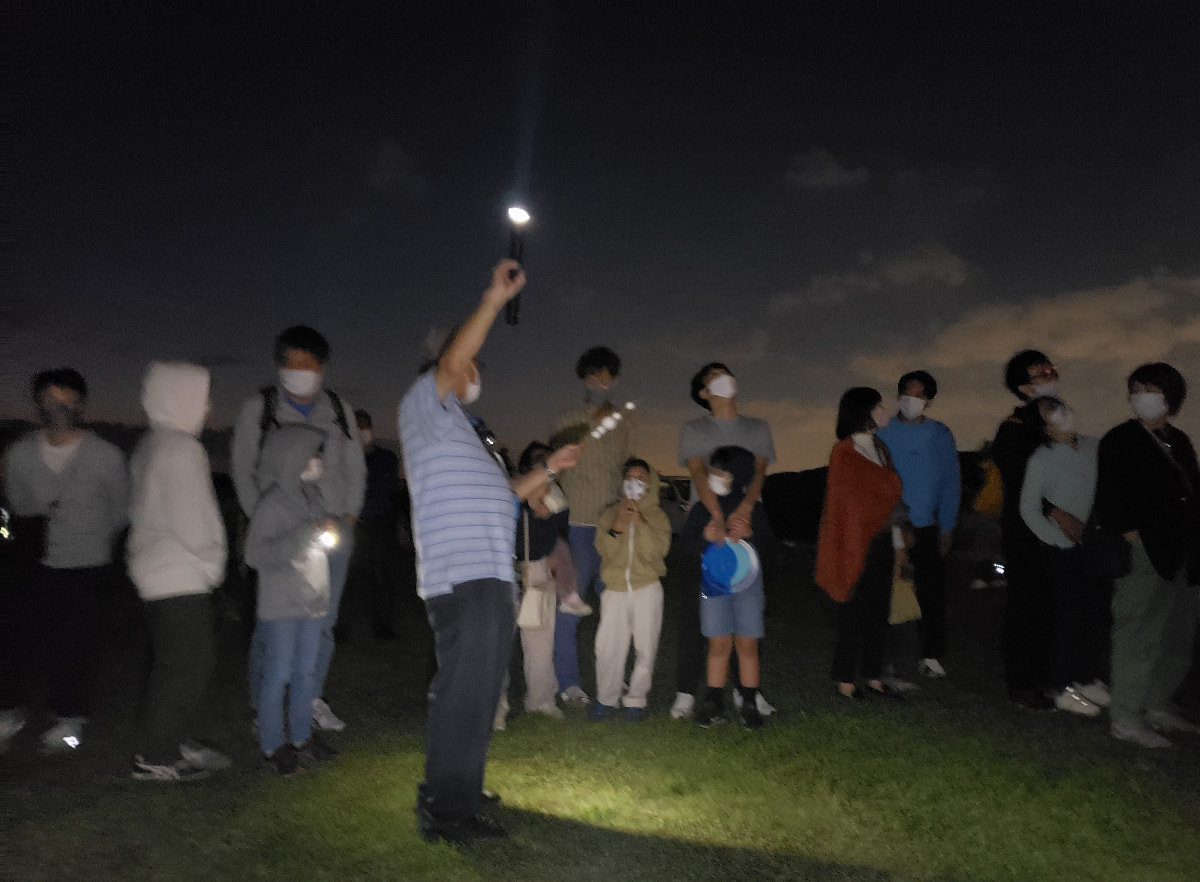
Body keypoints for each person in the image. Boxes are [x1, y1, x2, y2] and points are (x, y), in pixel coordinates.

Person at [400, 260, 580, 845]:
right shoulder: (424, 407)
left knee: (479, 692)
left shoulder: (465, 430)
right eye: (469, 363)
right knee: (463, 691)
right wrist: (493, 301)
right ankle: (446, 812)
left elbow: (506, 494)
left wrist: (548, 468)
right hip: (461, 575)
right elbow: (453, 361)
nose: (474, 373)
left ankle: (460, 787)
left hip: (489, 574)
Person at [231, 325, 366, 734]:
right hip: (282, 535)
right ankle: (263, 706)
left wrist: (349, 516)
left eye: (306, 364)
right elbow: (242, 468)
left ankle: (309, 701)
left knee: (322, 621)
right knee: (274, 623)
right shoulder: (262, 407)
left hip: (333, 531)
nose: (296, 371)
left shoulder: (338, 408)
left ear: (321, 368)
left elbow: (354, 467)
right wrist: (267, 521)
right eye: (289, 363)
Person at [0, 368, 128, 753]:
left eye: (67, 400)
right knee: (15, 641)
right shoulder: (19, 453)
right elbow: (14, 503)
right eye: (50, 401)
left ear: (81, 403)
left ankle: (70, 722)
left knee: (77, 646)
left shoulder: (106, 456)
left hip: (87, 565)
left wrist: (90, 537)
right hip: (30, 562)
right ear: (38, 403)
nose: (58, 408)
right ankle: (8, 712)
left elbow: (121, 510)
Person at [127, 363, 231, 781]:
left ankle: (175, 738)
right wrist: (213, 562)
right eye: (201, 396)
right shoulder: (181, 448)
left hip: (155, 571)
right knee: (187, 666)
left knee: (177, 664)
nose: (207, 407)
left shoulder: (151, 444)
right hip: (180, 573)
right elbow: (193, 521)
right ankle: (156, 757)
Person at [1095, 363, 1200, 747]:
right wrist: (1134, 538)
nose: (1141, 395)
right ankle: (1126, 717)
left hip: (1183, 554)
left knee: (1177, 634)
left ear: (1171, 397)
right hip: (1146, 553)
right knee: (1138, 632)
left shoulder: (1179, 441)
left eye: (1150, 388)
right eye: (1137, 388)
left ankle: (1158, 705)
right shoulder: (1122, 439)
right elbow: (1110, 498)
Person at [673, 363, 776, 720]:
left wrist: (745, 509)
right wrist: (716, 516)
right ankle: (688, 692)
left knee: (746, 623)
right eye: (712, 377)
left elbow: (760, 472)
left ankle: (747, 693)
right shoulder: (694, 429)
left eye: (725, 372)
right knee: (699, 620)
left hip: (745, 531)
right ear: (703, 393)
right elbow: (699, 474)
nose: (723, 378)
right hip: (709, 528)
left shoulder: (757, 428)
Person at [244, 424, 341, 775]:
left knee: (305, 673)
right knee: (278, 673)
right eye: (312, 454)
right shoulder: (272, 503)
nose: (317, 461)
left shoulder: (313, 498)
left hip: (312, 602)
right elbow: (255, 554)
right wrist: (305, 534)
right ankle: (273, 745)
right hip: (281, 606)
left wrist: (325, 532)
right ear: (292, 458)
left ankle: (301, 737)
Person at [816, 388, 910, 700]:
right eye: (879, 406)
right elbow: (847, 505)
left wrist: (898, 543)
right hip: (856, 542)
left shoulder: (881, 449)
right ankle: (845, 680)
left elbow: (892, 497)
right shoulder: (844, 452)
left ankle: (873, 676)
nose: (886, 411)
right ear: (865, 411)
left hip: (881, 541)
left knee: (879, 612)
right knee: (853, 612)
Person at [1018, 396, 1110, 717]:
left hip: (1092, 545)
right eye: (1050, 415)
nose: (1060, 417)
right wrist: (1057, 539)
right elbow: (1028, 508)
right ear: (1043, 426)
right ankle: (1060, 688)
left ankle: (1085, 678)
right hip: (1061, 551)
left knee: (1094, 615)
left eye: (1060, 409)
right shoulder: (1042, 458)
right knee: (1067, 618)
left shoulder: (1093, 447)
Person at [550, 346, 631, 705]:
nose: (600, 383)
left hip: (613, 528)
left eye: (606, 376)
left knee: (616, 609)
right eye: (593, 376)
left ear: (615, 379)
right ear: (583, 379)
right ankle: (568, 683)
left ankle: (615, 679)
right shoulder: (566, 420)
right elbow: (555, 470)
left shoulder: (624, 424)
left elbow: (627, 472)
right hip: (578, 524)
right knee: (569, 606)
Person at [876, 370, 960, 680]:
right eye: (908, 393)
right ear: (898, 395)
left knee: (931, 593)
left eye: (920, 394)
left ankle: (932, 655)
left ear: (930, 400)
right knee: (888, 591)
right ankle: (883, 657)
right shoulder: (883, 431)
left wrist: (948, 526)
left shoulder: (940, 434)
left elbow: (951, 482)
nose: (913, 399)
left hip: (926, 525)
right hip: (890, 525)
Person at [991, 349, 1062, 709]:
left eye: (1051, 369)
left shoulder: (1059, 423)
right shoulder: (1015, 428)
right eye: (1040, 373)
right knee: (1026, 605)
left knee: (1051, 606)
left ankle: (1046, 678)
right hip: (1026, 530)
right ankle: (1022, 684)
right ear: (1022, 386)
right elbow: (1022, 482)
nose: (1050, 375)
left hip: (1060, 531)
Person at [684, 446, 773, 729]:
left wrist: (751, 535)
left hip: (749, 583)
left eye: (720, 471)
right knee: (718, 643)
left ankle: (749, 701)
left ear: (737, 475)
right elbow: (684, 546)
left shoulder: (753, 509)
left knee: (747, 644)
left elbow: (772, 549)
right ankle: (713, 702)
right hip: (714, 581)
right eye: (712, 471)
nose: (713, 477)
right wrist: (704, 537)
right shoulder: (702, 508)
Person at [589, 458, 672, 722]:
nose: (635, 482)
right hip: (614, 589)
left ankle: (636, 700)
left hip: (647, 587)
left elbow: (658, 552)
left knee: (646, 647)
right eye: (630, 477)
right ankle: (606, 699)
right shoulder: (608, 513)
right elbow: (604, 551)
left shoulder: (657, 516)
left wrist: (642, 524)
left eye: (641, 477)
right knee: (607, 647)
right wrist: (617, 528)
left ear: (650, 483)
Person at [511, 442, 569, 722]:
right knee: (497, 641)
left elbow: (561, 537)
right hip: (509, 570)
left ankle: (541, 698)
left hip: (541, 570)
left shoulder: (558, 499)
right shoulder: (513, 495)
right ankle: (494, 704)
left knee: (541, 638)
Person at [340, 409, 402, 642]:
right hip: (350, 526)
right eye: (356, 427)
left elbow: (384, 489)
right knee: (347, 579)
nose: (361, 431)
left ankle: (383, 627)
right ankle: (340, 628)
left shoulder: (386, 458)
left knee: (382, 578)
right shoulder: (342, 459)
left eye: (364, 426)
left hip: (379, 524)